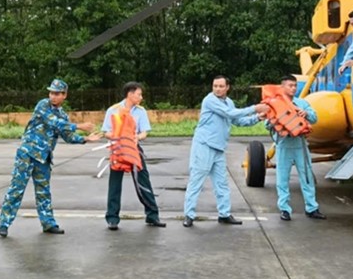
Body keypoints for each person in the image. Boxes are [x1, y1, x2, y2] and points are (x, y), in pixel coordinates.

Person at [0, 79, 101, 237]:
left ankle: (48, 223)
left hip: (44, 158)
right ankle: (4, 223)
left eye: (57, 93)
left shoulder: (63, 115)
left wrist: (85, 139)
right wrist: (79, 125)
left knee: (43, 192)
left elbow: (67, 136)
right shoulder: (43, 105)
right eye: (51, 92)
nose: (53, 96)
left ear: (64, 95)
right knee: (16, 189)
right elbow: (54, 123)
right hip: (28, 154)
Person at [183, 76, 268, 227]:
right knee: (196, 180)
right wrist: (255, 108)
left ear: (227, 87)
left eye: (221, 86)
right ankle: (189, 215)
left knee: (221, 183)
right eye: (215, 86)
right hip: (204, 145)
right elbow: (230, 114)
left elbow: (238, 121)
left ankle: (224, 214)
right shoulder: (209, 100)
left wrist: (258, 118)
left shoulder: (229, 103)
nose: (217, 89)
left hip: (219, 148)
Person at [102, 82, 165, 230]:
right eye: (139, 94)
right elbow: (105, 131)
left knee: (143, 180)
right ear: (130, 94)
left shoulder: (140, 111)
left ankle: (152, 215)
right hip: (118, 149)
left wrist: (137, 137)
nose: (141, 97)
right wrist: (117, 136)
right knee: (115, 183)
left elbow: (145, 132)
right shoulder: (113, 110)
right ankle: (112, 218)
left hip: (134, 149)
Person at [269, 76, 326, 221]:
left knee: (307, 177)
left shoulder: (302, 103)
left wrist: (305, 113)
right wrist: (277, 120)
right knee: (282, 178)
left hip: (300, 145)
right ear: (282, 88)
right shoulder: (275, 105)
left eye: (295, 85)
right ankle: (284, 209)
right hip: (283, 145)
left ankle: (312, 208)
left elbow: (315, 118)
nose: (293, 88)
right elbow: (267, 125)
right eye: (290, 85)